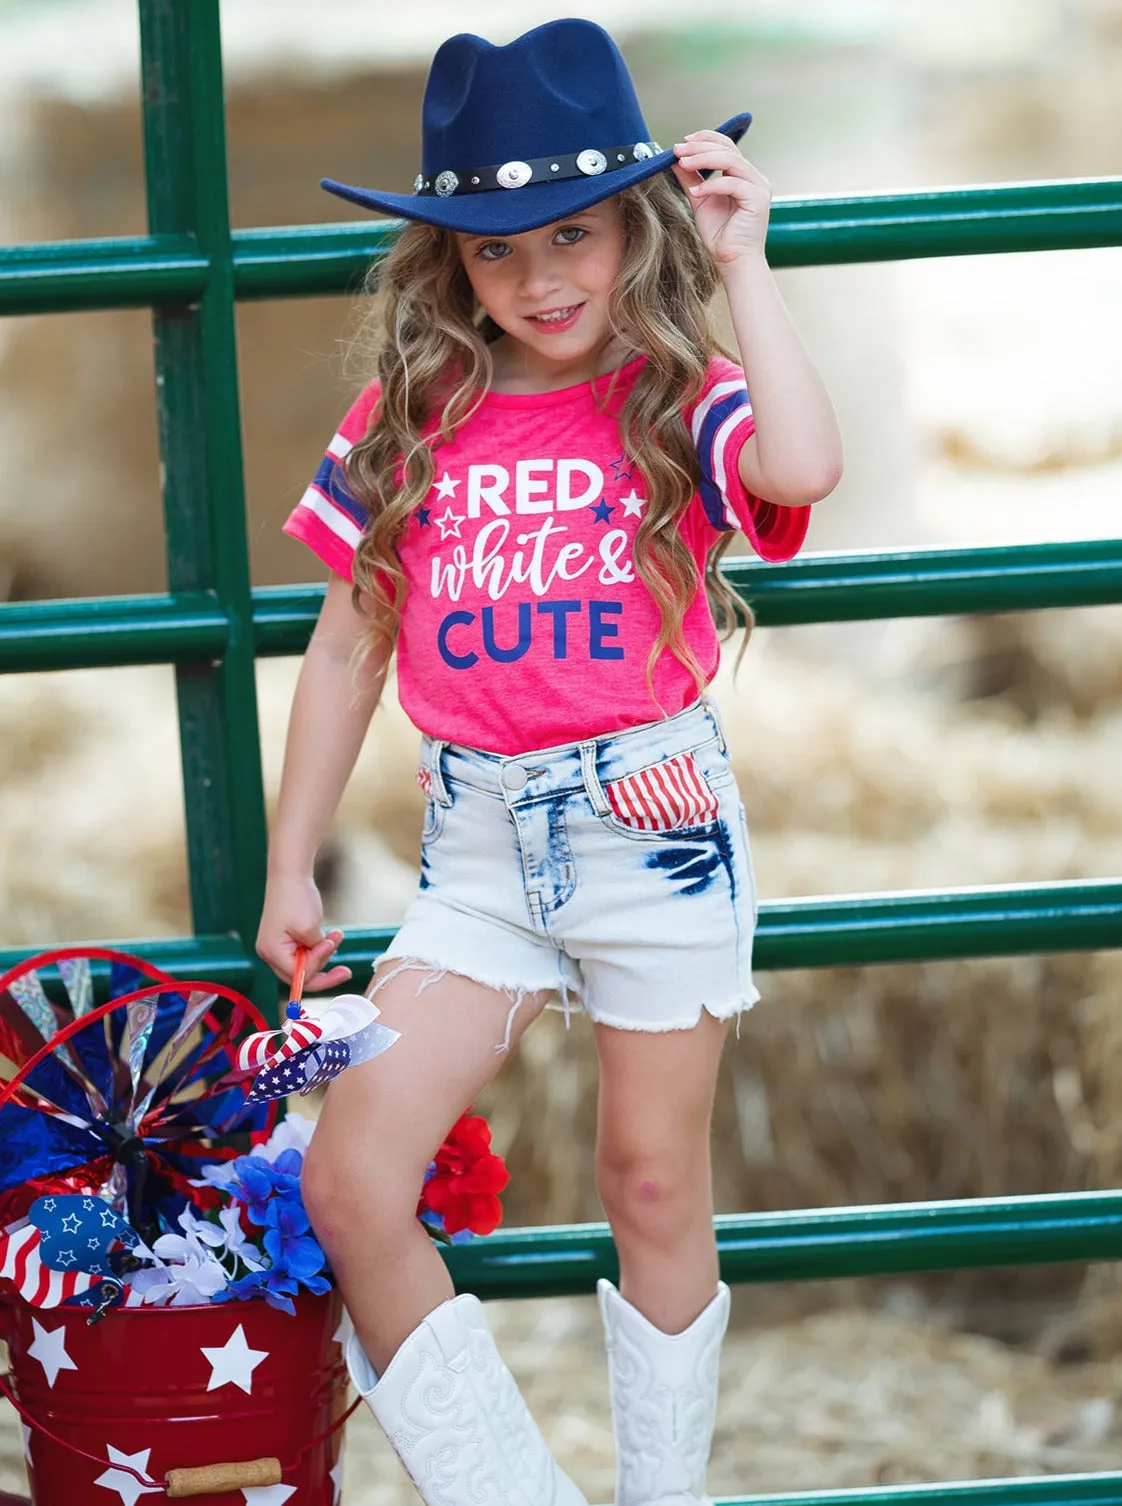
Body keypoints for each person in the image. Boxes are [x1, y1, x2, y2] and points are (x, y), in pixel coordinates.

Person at [257, 16, 842, 1506]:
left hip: (651, 824)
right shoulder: (413, 419)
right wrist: (287, 859)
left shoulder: (670, 393)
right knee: (348, 1177)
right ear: (449, 267)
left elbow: (801, 469)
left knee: (648, 1183)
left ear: (631, 227)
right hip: (474, 850)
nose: (540, 278)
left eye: (570, 234)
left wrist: (743, 264)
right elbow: (345, 648)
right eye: (496, 251)